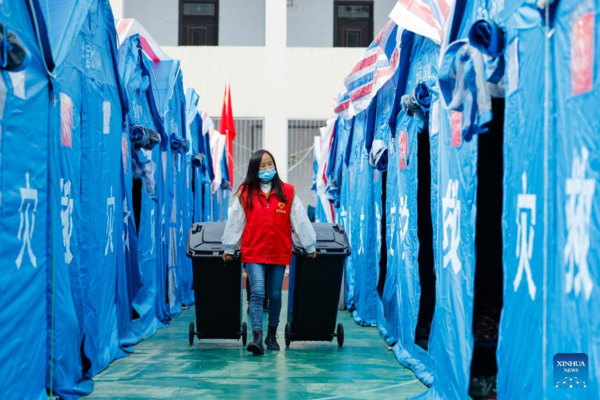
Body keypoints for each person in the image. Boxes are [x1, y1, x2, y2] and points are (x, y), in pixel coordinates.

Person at [222, 150, 316, 355]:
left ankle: (272, 335)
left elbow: (300, 219)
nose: (266, 169)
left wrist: (309, 245)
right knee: (256, 292)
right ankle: (257, 337)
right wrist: (229, 247)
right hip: (254, 251)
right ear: (254, 169)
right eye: (261, 166)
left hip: (278, 252)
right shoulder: (245, 192)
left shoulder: (287, 192)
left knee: (274, 294)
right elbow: (235, 221)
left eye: (269, 164)